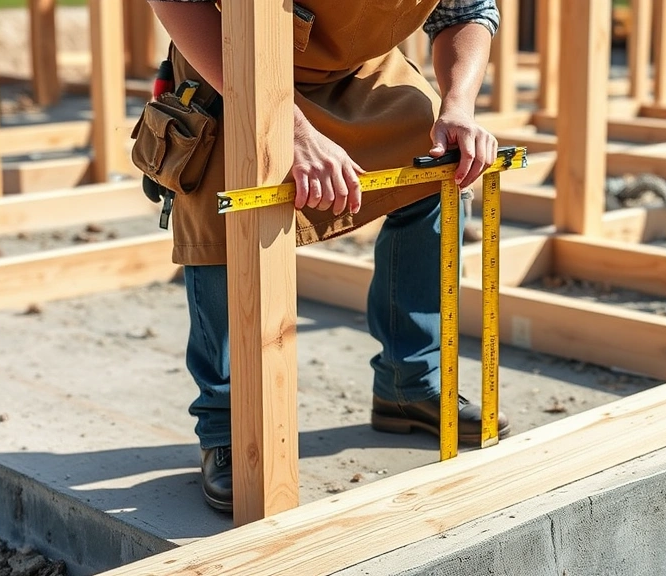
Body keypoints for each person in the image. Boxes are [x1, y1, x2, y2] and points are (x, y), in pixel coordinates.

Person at [144, 0, 512, 512]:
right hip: (236, 62)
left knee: (434, 173)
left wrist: (458, 106)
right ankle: (227, 426)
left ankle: (409, 384)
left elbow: (464, 11)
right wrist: (288, 129)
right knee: (220, 226)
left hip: (355, 70)